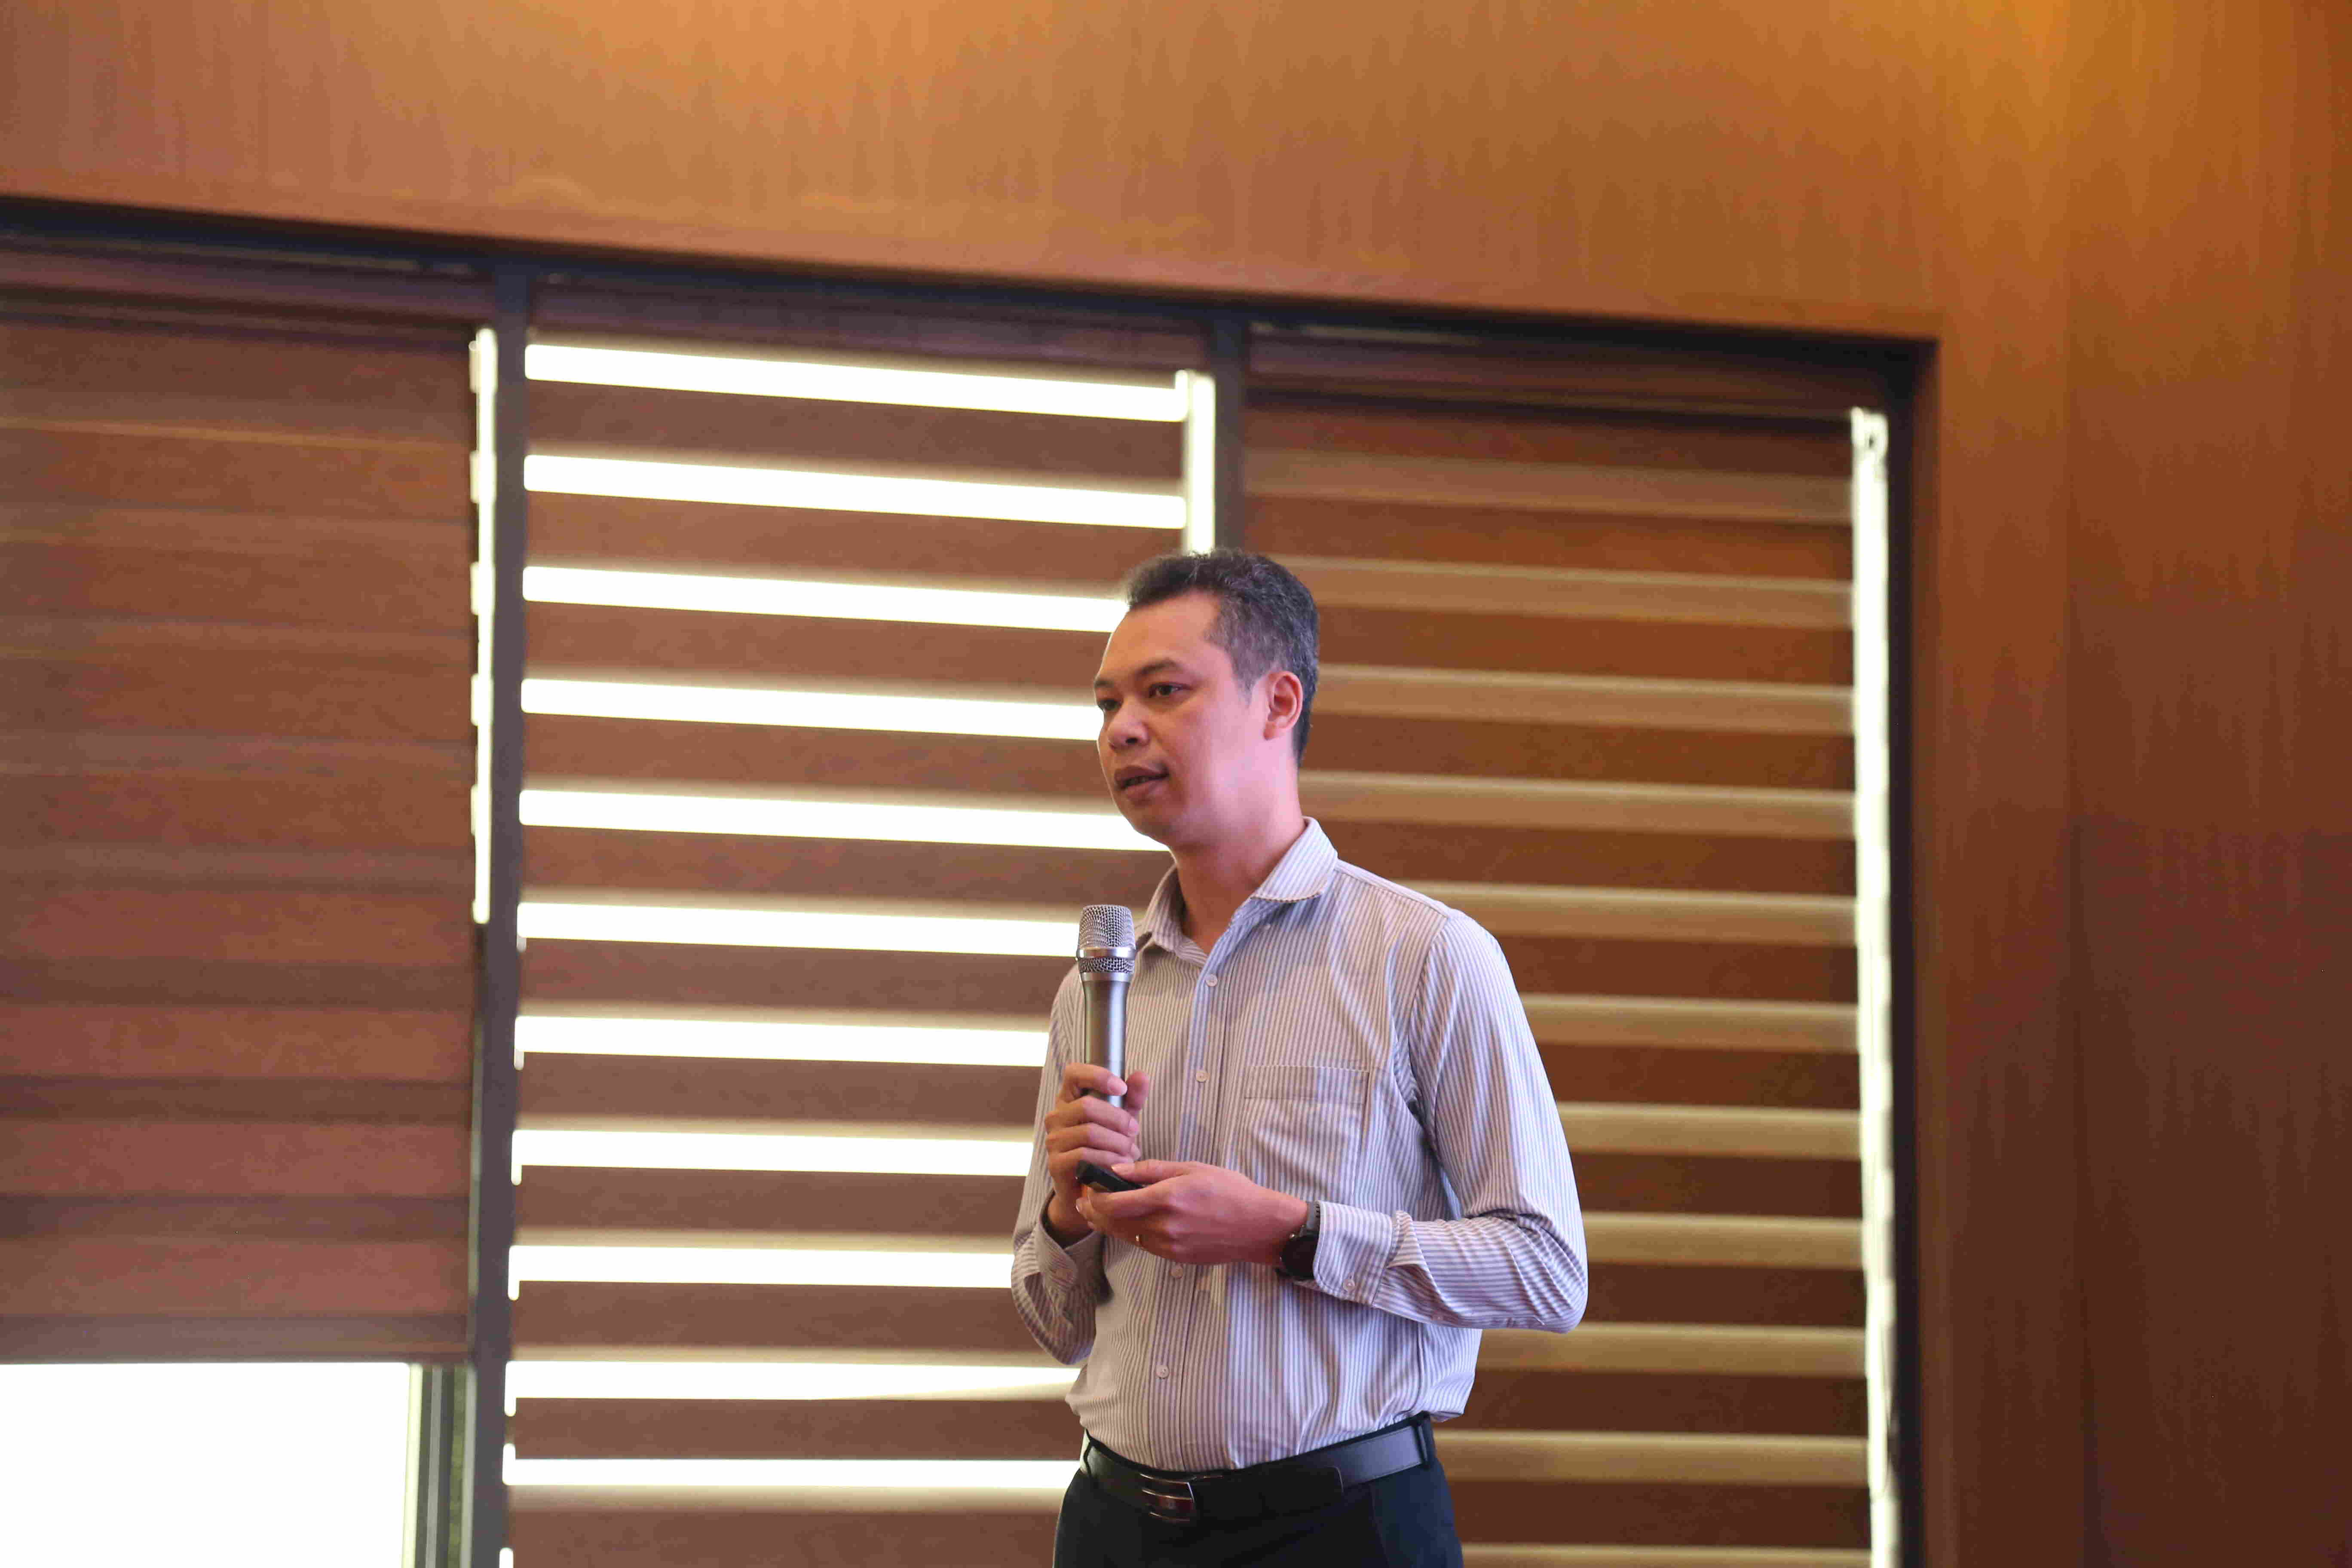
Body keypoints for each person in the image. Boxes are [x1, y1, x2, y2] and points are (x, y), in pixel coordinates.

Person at [1010, 549, 1588, 1568]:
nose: (1122, 730)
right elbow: (1057, 1324)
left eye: (1163, 692)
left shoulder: (1424, 956)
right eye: (1107, 704)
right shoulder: (1100, 989)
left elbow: (1545, 1272)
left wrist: (1290, 1232)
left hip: (1341, 1530)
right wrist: (1066, 1215)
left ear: (1279, 702)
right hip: (1114, 1527)